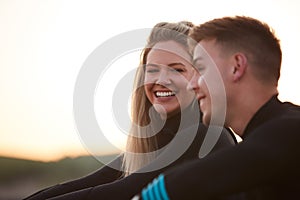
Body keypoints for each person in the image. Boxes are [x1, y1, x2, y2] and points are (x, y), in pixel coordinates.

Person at [24, 22, 236, 200]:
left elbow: (120, 192)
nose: (161, 80)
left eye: (177, 69)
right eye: (152, 70)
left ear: (198, 77)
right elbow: (86, 183)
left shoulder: (206, 136)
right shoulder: (155, 144)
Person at [135, 16, 300, 199]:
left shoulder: (290, 131)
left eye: (201, 68)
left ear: (236, 67)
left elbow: (185, 183)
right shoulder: (269, 155)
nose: (192, 84)